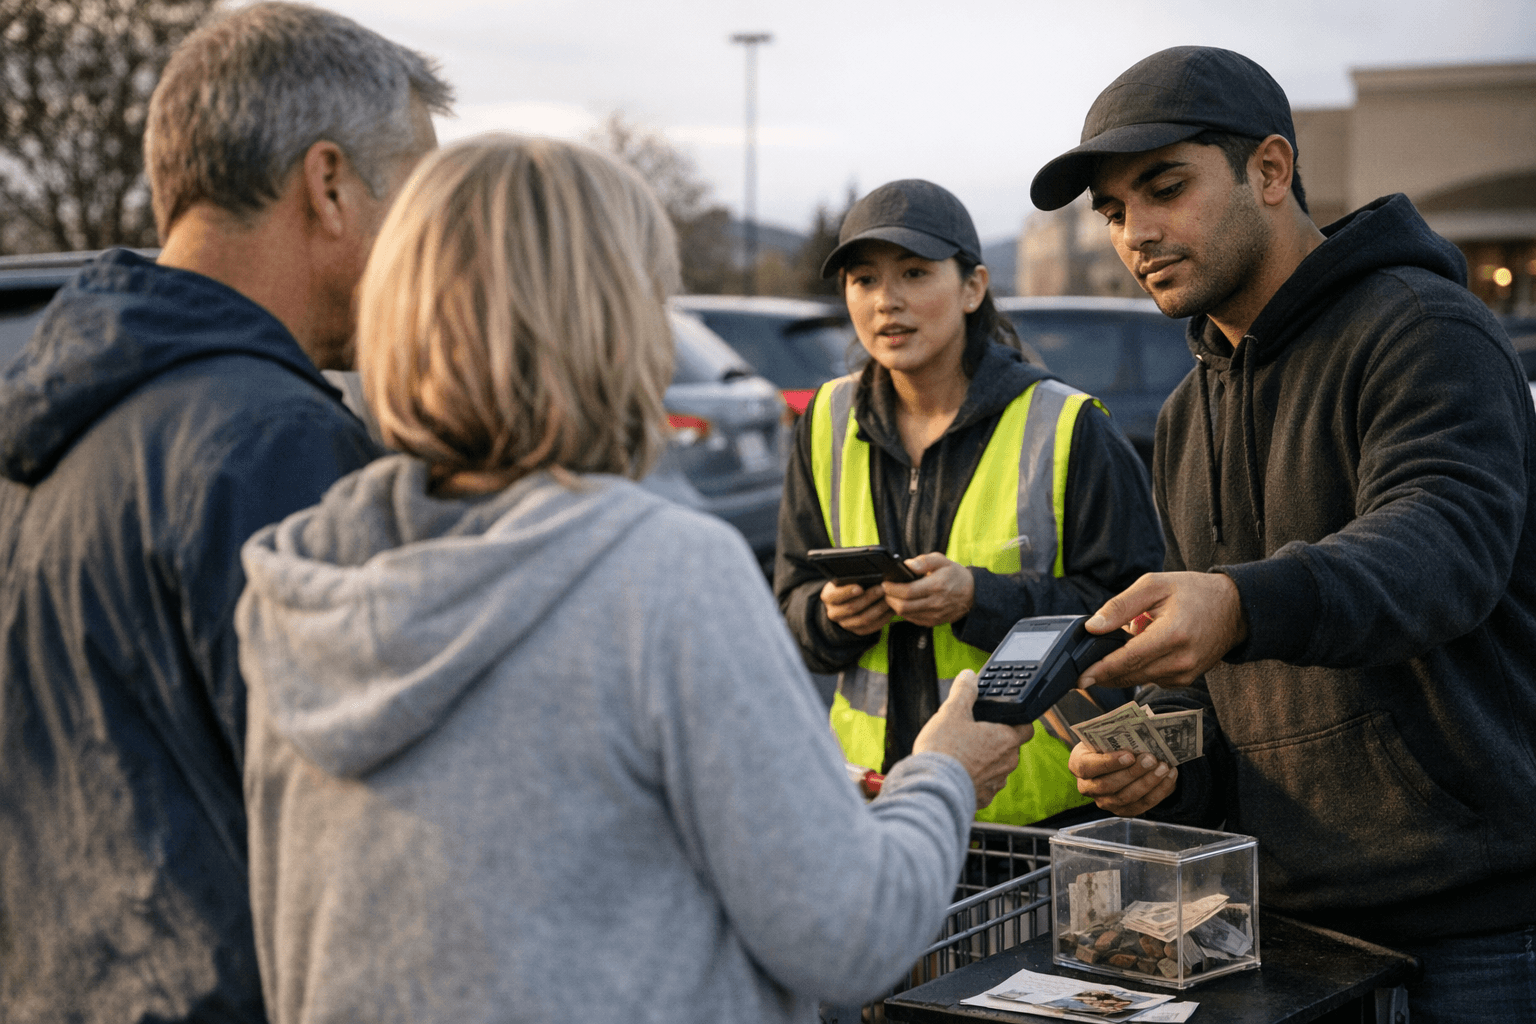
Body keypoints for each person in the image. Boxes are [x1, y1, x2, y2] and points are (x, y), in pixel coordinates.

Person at [233, 135, 1031, 1024]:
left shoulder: (299, 577)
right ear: (613, 320)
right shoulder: (664, 576)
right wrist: (945, 773)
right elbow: (852, 937)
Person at [1031, 45, 1536, 1022]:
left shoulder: (1425, 328)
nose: (1135, 232)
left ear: (1269, 170)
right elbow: (1225, 702)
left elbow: (1443, 541)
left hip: (1473, 927)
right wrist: (1166, 770)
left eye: (1163, 188)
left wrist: (1240, 599)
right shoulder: (1185, 413)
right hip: (1280, 920)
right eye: (1112, 209)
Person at [0, 5, 449, 1021]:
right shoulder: (275, 446)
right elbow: (385, 848)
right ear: (329, 185)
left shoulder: (46, 421)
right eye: (416, 205)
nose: (426, 250)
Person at [774, 178, 1163, 827]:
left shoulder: (1068, 426)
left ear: (974, 286)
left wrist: (978, 599)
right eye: (863, 280)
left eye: (915, 273)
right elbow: (793, 613)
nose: (886, 301)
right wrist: (834, 615)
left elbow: (1133, 628)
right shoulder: (823, 422)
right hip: (875, 814)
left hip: (1034, 829)